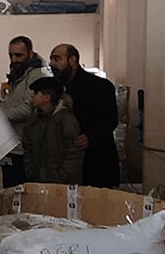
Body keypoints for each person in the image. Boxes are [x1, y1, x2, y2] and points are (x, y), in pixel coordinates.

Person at [48, 43, 122, 188]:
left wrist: (90, 137)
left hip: (96, 161)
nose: (51, 64)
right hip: (66, 164)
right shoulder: (56, 89)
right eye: (51, 59)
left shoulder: (100, 87)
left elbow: (110, 120)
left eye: (57, 59)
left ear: (72, 60)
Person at [0, 36, 52, 187]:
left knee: (22, 192)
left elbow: (29, 108)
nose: (14, 59)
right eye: (11, 55)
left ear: (30, 54)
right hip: (13, 146)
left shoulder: (37, 75)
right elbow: (11, 103)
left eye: (19, 55)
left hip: (26, 150)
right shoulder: (17, 75)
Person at [22, 77, 85, 184]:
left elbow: (74, 153)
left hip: (63, 184)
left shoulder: (66, 120)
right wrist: (31, 172)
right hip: (38, 181)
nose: (32, 96)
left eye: (36, 93)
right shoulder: (33, 120)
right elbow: (28, 149)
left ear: (47, 98)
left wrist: (62, 176)